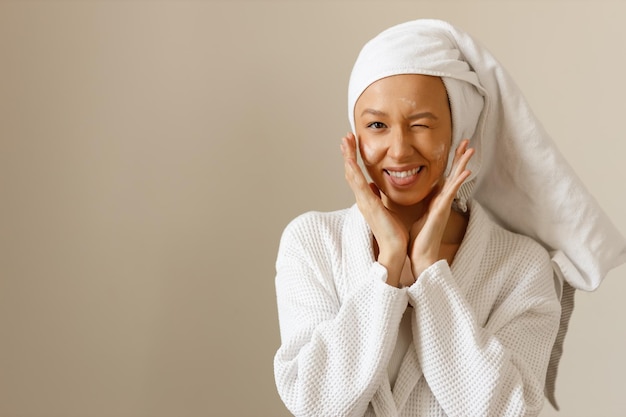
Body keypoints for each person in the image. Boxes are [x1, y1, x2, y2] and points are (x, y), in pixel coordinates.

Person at [273, 19, 626, 417]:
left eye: (421, 124)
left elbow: (506, 412)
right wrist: (388, 262)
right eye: (376, 126)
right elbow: (316, 404)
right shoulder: (313, 242)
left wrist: (430, 274)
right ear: (355, 135)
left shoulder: (521, 266)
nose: (399, 149)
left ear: (460, 129)